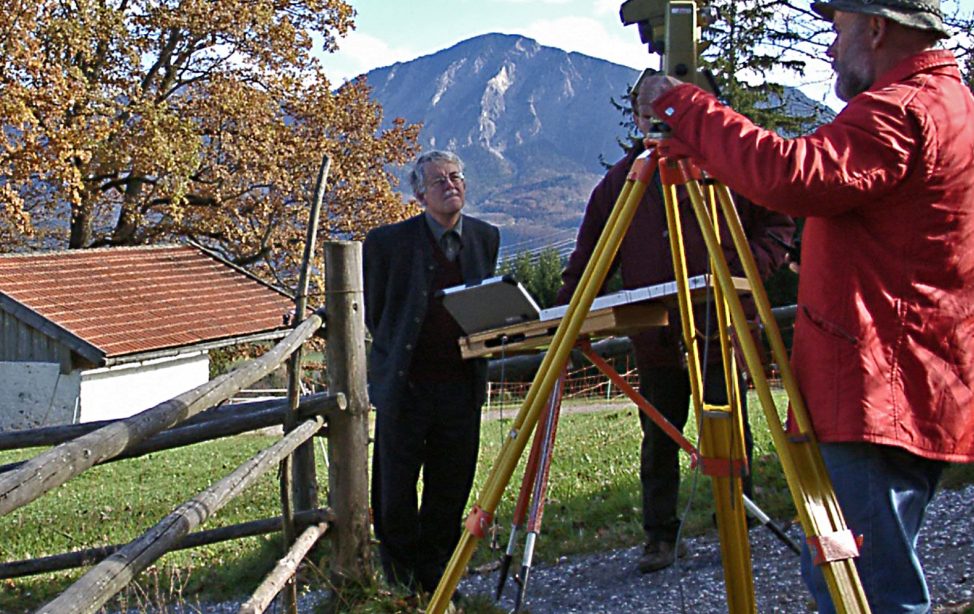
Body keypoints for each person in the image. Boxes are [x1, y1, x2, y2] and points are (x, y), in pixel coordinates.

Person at [637, 1, 974, 612]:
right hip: (910, 375)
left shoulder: (902, 110)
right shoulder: (948, 103)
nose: (828, 48)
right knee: (857, 580)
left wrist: (682, 104)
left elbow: (794, 175)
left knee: (864, 592)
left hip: (880, 387)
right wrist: (708, 149)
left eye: (838, 29)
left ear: (876, 28)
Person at [555, 83, 794, 574]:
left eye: (661, 109)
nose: (652, 120)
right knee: (659, 434)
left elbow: (778, 226)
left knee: (730, 429)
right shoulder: (623, 182)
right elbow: (589, 260)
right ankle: (660, 537)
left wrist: (744, 270)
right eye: (644, 111)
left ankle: (737, 524)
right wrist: (565, 315)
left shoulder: (726, 166)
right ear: (637, 118)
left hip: (720, 324)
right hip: (657, 335)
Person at [363, 150, 500, 595]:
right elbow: (378, 311)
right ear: (419, 193)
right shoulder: (386, 243)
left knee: (450, 486)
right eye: (439, 181)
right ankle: (401, 581)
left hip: (461, 388)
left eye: (456, 177)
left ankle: (437, 577)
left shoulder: (485, 238)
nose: (450, 185)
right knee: (395, 490)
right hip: (406, 388)